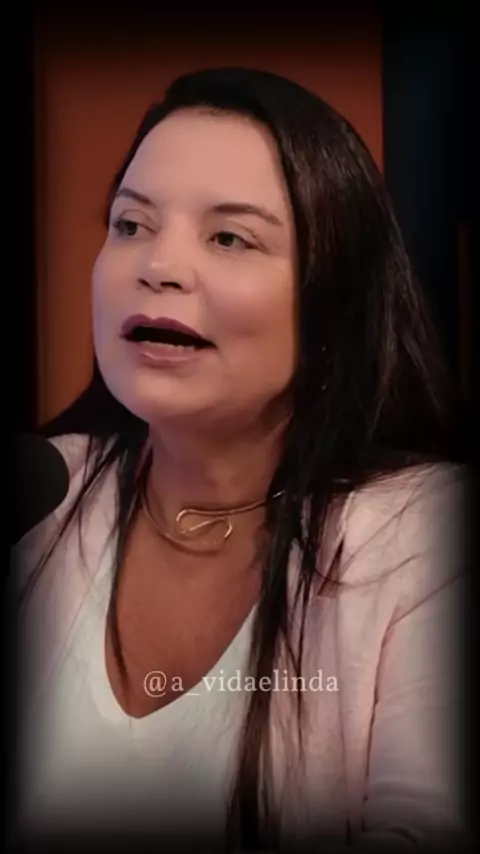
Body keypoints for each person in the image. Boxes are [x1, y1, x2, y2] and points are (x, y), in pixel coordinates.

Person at [12, 67, 471, 853]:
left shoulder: (425, 536)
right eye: (130, 224)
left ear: (333, 298)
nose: (157, 265)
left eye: (229, 237)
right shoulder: (38, 498)